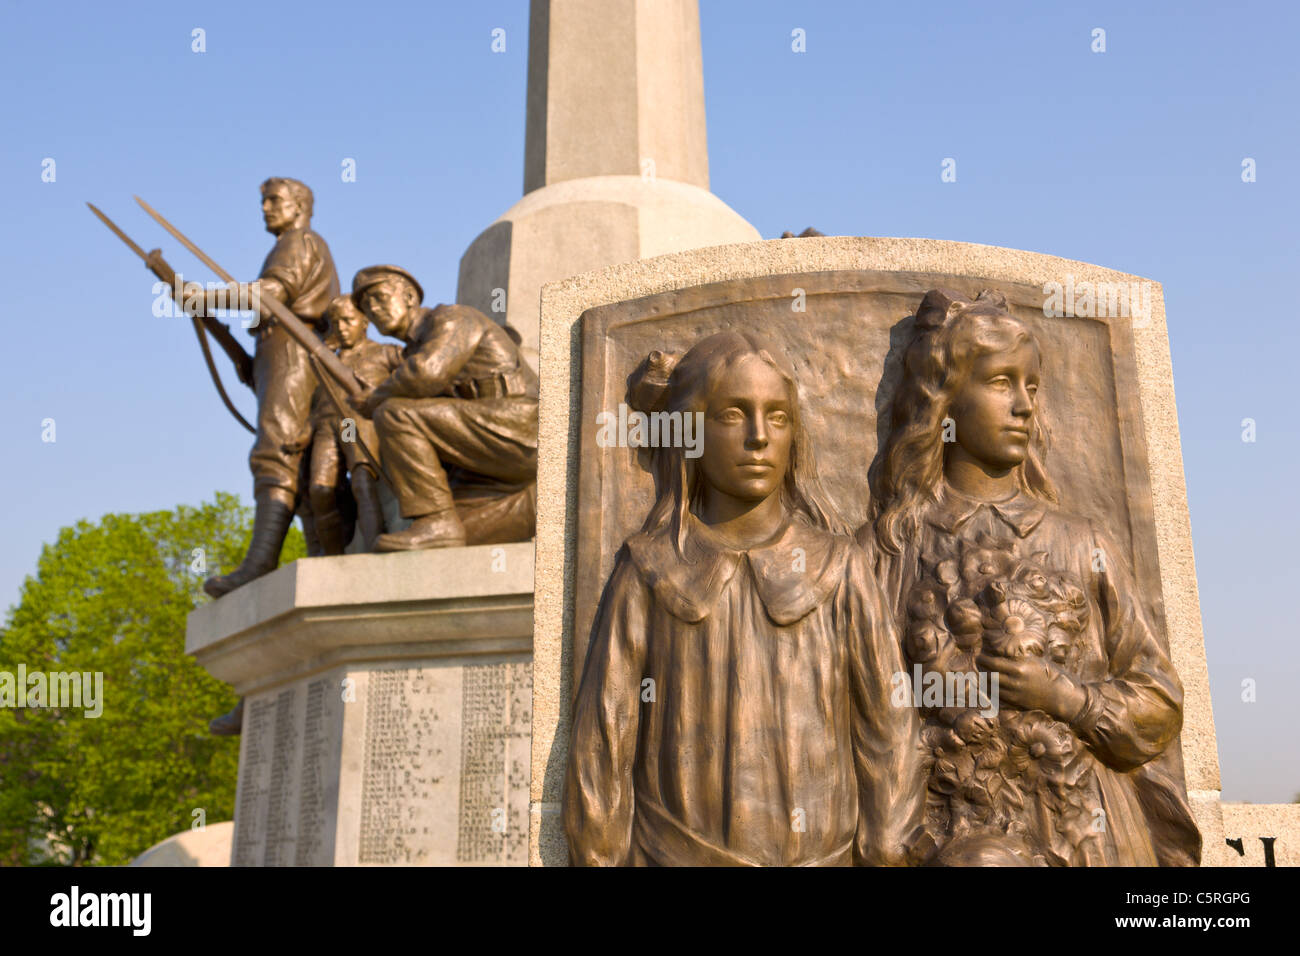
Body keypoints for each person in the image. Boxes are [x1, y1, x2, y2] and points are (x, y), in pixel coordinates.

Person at [859, 288, 1201, 866]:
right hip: (944, 833)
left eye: (1032, 387)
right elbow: (851, 708)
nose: (1023, 405)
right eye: (1000, 383)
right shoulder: (888, 550)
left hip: (1085, 835)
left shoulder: (1083, 543)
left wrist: (1067, 697)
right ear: (943, 402)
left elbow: (1160, 702)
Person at [563, 332, 921, 866]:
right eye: (733, 415)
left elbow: (889, 729)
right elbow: (604, 740)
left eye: (777, 417)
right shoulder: (648, 569)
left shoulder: (839, 567)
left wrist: (887, 848)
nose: (760, 437)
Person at [198, 177, 340, 596]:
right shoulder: (293, 243)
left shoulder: (299, 241)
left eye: (274, 200)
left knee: (278, 449)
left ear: (299, 206)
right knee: (294, 450)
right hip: (279, 351)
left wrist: (203, 297)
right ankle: (315, 552)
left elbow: (271, 295)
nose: (265, 207)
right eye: (263, 201)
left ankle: (260, 563)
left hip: (291, 350)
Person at [348, 266, 538, 550]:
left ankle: (436, 521)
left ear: (410, 296)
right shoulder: (414, 348)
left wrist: (375, 398)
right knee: (459, 533)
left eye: (379, 297)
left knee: (394, 413)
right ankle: (542, 504)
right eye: (366, 306)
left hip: (521, 426)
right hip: (493, 456)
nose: (373, 309)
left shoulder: (451, 318)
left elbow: (426, 373)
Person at [300, 295, 403, 553]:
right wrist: (307, 429)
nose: (342, 328)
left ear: (365, 321)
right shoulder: (327, 360)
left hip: (356, 423)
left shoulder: (384, 352)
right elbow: (318, 399)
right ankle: (332, 557)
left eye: (348, 321)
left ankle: (373, 546)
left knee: (362, 482)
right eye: (337, 323)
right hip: (326, 427)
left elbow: (417, 372)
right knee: (320, 490)